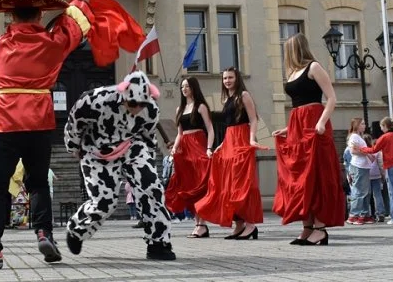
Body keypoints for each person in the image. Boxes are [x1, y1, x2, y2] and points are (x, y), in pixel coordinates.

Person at [0, 0, 98, 271]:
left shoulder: (0, 43)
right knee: (37, 183)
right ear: (39, 14)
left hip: (6, 122)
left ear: (11, 15)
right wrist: (78, 2)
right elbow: (75, 29)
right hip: (39, 122)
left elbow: (16, 36)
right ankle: (44, 233)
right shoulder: (53, 43)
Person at [64, 71, 175, 260]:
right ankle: (77, 230)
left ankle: (158, 242)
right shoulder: (96, 100)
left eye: (142, 104)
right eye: (133, 104)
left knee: (152, 188)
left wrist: (146, 163)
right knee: (104, 202)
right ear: (123, 96)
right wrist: (73, 147)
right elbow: (74, 122)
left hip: (132, 146)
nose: (137, 108)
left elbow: (148, 134)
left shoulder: (151, 110)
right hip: (97, 150)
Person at [272, 34, 345, 244]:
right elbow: (298, 106)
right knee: (300, 178)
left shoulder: (313, 67)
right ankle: (307, 226)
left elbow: (331, 97)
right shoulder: (292, 72)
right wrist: (288, 128)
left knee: (316, 175)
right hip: (298, 124)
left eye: (289, 48)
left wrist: (321, 122)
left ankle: (320, 229)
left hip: (314, 124)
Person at [197, 67, 264, 240]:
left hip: (241, 140)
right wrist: (222, 145)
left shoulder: (244, 96)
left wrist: (251, 139)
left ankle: (250, 224)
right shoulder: (228, 99)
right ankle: (239, 224)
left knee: (243, 183)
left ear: (237, 78)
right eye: (225, 78)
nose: (227, 80)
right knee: (228, 185)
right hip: (230, 142)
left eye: (230, 77)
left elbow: (253, 118)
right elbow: (229, 127)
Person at [166, 77, 214, 237]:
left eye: (187, 86)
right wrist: (175, 148)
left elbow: (210, 129)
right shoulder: (179, 108)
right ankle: (198, 223)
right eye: (182, 87)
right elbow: (179, 133)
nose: (184, 89)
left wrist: (208, 148)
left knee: (199, 185)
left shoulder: (200, 107)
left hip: (198, 145)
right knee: (187, 186)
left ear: (193, 88)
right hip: (184, 148)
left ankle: (202, 224)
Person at [346, 118, 372, 225]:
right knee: (359, 190)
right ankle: (354, 214)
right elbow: (353, 150)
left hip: (363, 166)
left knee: (365, 191)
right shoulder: (354, 136)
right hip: (358, 166)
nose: (364, 125)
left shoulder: (358, 137)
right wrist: (366, 152)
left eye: (364, 124)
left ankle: (364, 214)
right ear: (356, 125)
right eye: (362, 124)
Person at [366, 137, 386, 222]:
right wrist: (383, 174)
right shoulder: (376, 151)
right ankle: (380, 213)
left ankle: (368, 213)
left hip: (366, 174)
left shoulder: (363, 151)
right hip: (376, 174)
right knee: (377, 194)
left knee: (367, 195)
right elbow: (381, 164)